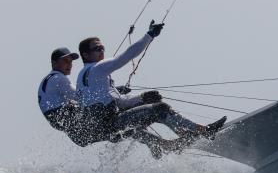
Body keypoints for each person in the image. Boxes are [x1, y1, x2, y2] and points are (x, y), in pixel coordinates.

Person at [76, 20, 226, 157]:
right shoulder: (97, 68)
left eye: (102, 47)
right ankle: (203, 131)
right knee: (160, 108)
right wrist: (149, 35)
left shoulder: (82, 77)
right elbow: (126, 56)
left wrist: (141, 98)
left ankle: (164, 143)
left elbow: (118, 102)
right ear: (86, 55)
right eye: (97, 49)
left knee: (151, 109)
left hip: (103, 129)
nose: (102, 51)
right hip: (109, 124)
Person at [37, 47, 83, 144]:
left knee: (82, 140)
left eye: (71, 62)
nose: (69, 64)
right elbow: (80, 96)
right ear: (54, 63)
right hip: (61, 113)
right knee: (95, 104)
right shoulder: (59, 78)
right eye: (65, 61)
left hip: (53, 119)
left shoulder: (48, 78)